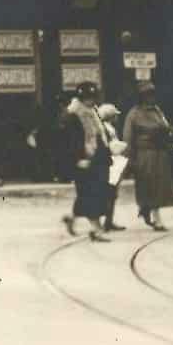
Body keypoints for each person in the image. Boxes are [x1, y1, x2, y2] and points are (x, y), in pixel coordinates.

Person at [121, 84, 173, 231]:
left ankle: (148, 210)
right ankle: (155, 217)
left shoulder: (158, 111)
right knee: (149, 185)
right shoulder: (134, 114)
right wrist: (129, 159)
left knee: (159, 187)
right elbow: (128, 137)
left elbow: (165, 126)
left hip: (160, 152)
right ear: (141, 97)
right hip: (145, 154)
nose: (151, 98)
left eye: (152, 94)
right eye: (147, 95)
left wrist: (170, 131)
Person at [60, 82, 112, 241]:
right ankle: (97, 230)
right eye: (88, 98)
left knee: (88, 193)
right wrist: (78, 159)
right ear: (81, 98)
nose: (92, 101)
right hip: (83, 161)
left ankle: (72, 218)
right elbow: (69, 142)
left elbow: (99, 135)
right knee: (90, 193)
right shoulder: (72, 115)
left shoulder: (92, 112)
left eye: (93, 97)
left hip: (96, 159)